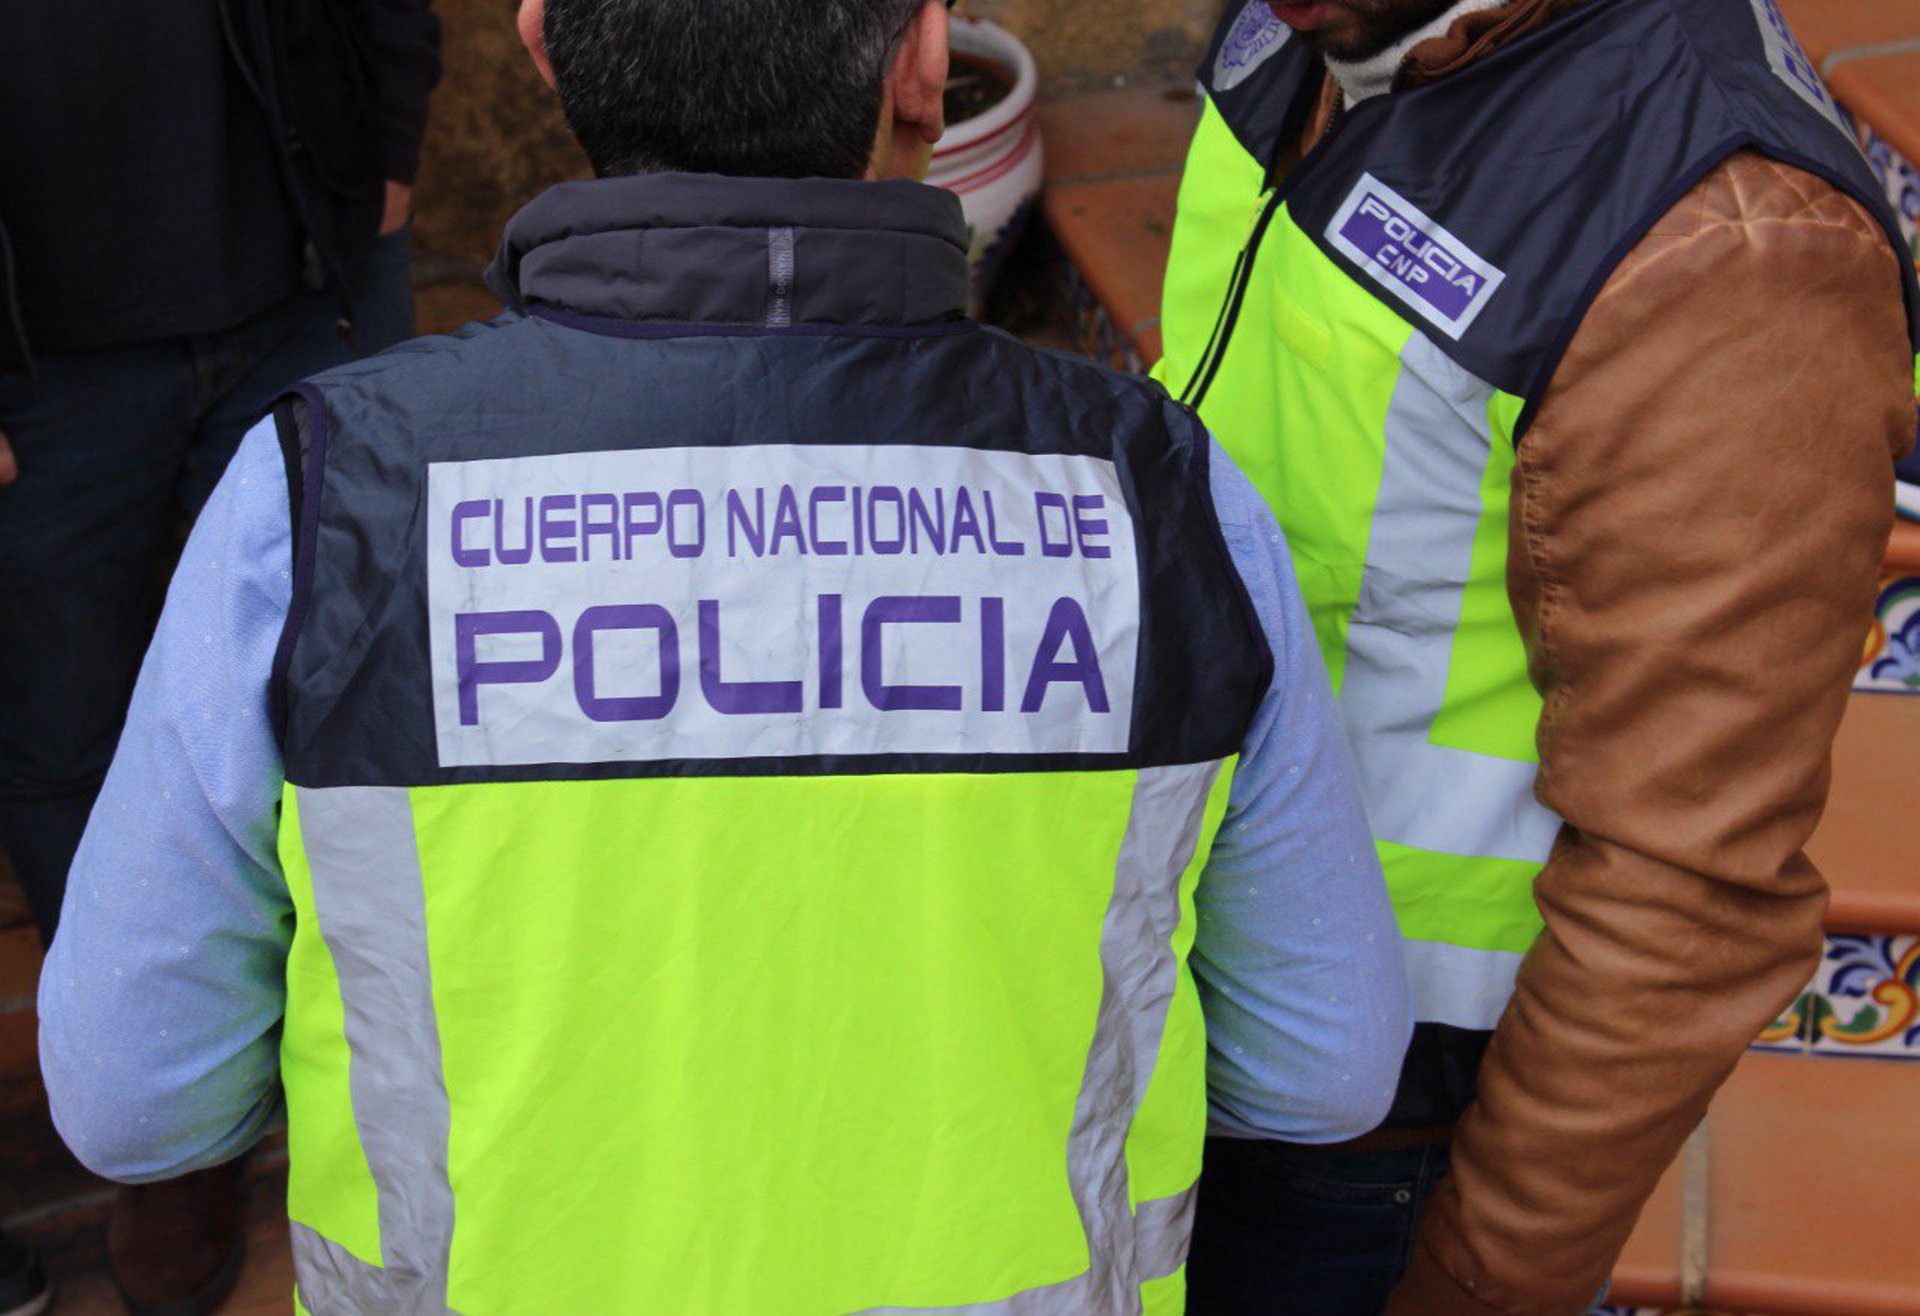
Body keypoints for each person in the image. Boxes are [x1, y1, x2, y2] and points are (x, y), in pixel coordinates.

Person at [37, 0, 1413, 1311]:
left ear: (545, 49)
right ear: (924, 62)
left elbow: (134, 1099)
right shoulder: (1166, 494)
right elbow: (1324, 1068)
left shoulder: (323, 499)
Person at [1152, 0, 1920, 1311]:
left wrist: (1480, 1283)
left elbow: (1685, 897)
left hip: (1364, 1149)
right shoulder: (1321, 24)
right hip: (1180, 981)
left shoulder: (1729, 246)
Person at [0, 2, 439, 1313]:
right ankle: (173, 1136)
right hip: (42, 365)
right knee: (62, 741)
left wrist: (392, 135)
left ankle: (358, 1069)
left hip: (305, 278)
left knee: (366, 704)